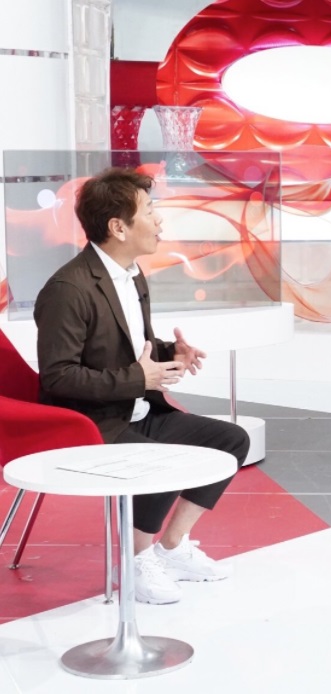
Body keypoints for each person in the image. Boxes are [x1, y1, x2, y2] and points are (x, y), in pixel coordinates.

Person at [35, 167, 249, 603]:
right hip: (93, 423)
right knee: (165, 462)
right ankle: (135, 560)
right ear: (118, 227)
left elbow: (132, 345)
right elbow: (58, 377)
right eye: (150, 211)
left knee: (231, 441)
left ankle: (171, 547)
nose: (159, 220)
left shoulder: (131, 274)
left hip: (138, 408)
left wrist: (171, 352)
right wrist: (139, 378)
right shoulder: (68, 289)